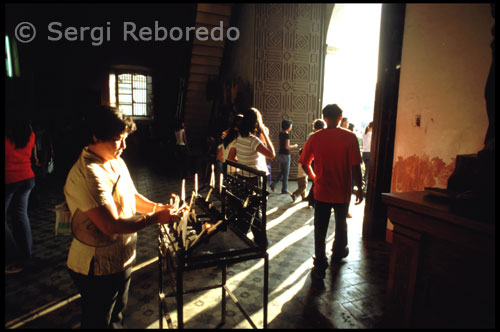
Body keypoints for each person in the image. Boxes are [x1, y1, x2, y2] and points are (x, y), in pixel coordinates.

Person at [63, 105, 180, 328]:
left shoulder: (115, 161)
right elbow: (110, 225)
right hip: (97, 266)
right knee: (99, 320)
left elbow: (133, 197)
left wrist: (158, 208)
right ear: (96, 136)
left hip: (120, 258)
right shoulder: (89, 173)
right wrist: (156, 218)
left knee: (116, 314)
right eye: (118, 139)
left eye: (125, 138)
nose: (125, 146)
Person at [299, 104, 363, 281]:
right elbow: (356, 165)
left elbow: (304, 163)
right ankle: (338, 252)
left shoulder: (315, 138)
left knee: (320, 228)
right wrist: (359, 187)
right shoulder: (350, 137)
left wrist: (314, 177)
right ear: (340, 117)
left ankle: (320, 262)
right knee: (341, 224)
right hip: (342, 191)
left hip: (322, 191)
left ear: (324, 118)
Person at [227, 107, 275, 247]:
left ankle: (261, 240)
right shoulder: (253, 140)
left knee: (253, 210)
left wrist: (244, 162)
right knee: (253, 211)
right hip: (254, 180)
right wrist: (265, 133)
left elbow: (231, 158)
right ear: (255, 123)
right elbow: (271, 154)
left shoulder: (239, 138)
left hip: (242, 178)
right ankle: (242, 239)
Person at [5, 111, 38, 274]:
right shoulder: (29, 134)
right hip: (27, 178)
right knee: (20, 216)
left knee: (17, 216)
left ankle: (13, 256)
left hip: (9, 180)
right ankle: (25, 256)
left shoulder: (7, 137)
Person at [270, 119, 298, 194]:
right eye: (291, 125)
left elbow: (278, 144)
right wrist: (294, 146)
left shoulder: (280, 134)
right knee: (286, 173)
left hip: (280, 154)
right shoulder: (287, 135)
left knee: (283, 171)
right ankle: (284, 189)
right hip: (286, 155)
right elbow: (287, 147)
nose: (291, 127)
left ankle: (274, 184)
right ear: (288, 127)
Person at [305, 119, 326, 208]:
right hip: (316, 160)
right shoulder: (321, 136)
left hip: (311, 159)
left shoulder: (310, 135)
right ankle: (311, 199)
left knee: (315, 180)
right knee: (316, 181)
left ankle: (311, 199)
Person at [361, 122, 373, 193]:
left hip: (364, 153)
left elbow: (362, 145)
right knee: (368, 171)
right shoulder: (372, 134)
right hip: (369, 152)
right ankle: (365, 187)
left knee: (367, 170)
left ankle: (365, 186)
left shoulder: (364, 134)